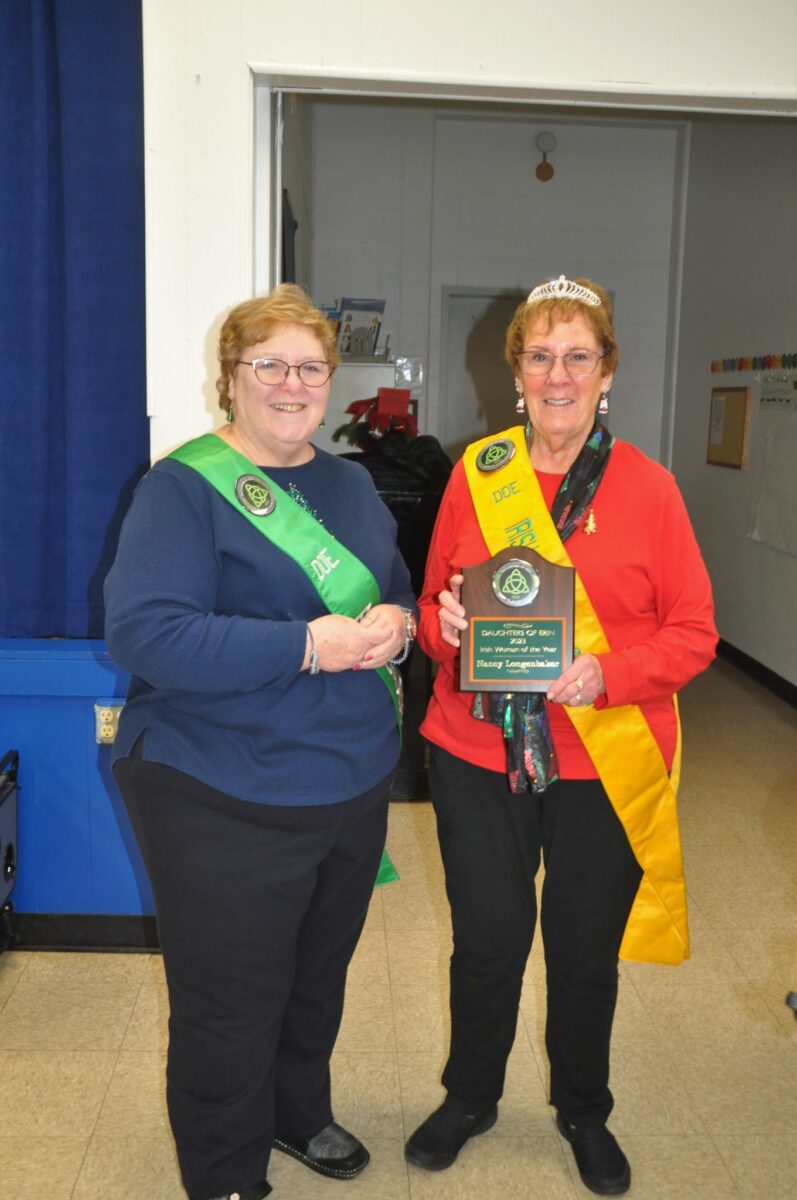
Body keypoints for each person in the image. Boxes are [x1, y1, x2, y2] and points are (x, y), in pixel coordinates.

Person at [405, 275, 717, 1196]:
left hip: (603, 757)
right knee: (488, 941)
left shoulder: (651, 490)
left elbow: (693, 633)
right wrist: (446, 628)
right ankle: (470, 1096)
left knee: (582, 952)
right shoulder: (477, 473)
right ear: (516, 373)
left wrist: (604, 673)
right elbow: (431, 608)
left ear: (605, 372)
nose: (557, 374)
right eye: (539, 356)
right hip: (474, 750)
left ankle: (583, 1110)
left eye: (576, 356)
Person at [105, 284, 417, 1200]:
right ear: (230, 380)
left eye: (310, 367)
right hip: (218, 790)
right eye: (268, 364)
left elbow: (389, 586)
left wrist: (397, 621)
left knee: (315, 981)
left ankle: (293, 1112)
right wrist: (306, 648)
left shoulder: (351, 482)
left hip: (348, 782)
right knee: (227, 1009)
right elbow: (148, 635)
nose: (291, 384)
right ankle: (226, 1176)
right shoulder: (179, 490)